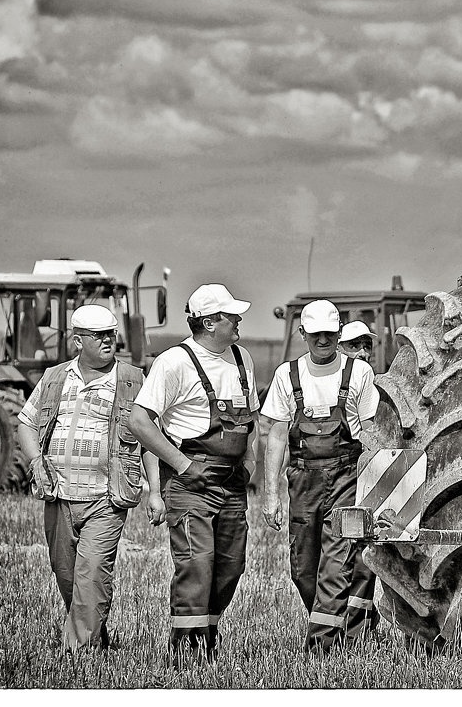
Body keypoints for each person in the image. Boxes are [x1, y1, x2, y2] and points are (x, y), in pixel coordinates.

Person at [127, 283, 258, 666]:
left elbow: (249, 419)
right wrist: (184, 466)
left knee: (231, 565)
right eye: (232, 315)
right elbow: (140, 421)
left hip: (232, 482)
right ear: (209, 322)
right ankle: (187, 653)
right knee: (196, 565)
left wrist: (248, 461)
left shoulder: (242, 358)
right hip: (190, 483)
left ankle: (208, 637)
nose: (239, 320)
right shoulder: (174, 362)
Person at [15, 304, 144, 651]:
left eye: (111, 334)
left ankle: (77, 653)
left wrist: (157, 493)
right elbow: (26, 423)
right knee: (67, 576)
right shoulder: (55, 376)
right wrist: (36, 461)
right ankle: (94, 636)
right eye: (98, 335)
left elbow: (149, 437)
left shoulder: (132, 379)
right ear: (77, 341)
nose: (107, 340)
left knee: (92, 575)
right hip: (58, 495)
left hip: (106, 496)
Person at [260, 299, 379, 653]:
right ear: (303, 335)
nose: (323, 341)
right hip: (302, 481)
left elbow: (372, 430)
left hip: (346, 476)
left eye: (329, 334)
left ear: (338, 332)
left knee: (336, 561)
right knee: (303, 567)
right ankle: (335, 621)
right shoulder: (287, 375)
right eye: (316, 335)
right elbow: (276, 435)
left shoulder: (359, 373)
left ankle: (322, 647)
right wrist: (270, 495)